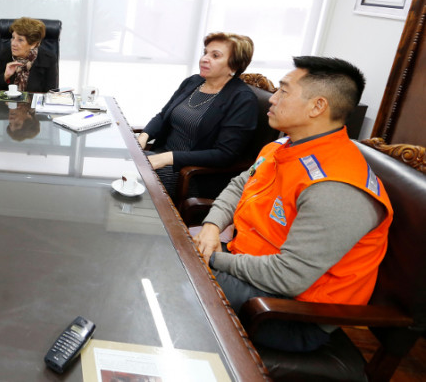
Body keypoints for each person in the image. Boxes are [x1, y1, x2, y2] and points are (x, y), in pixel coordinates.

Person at [193, 56, 392, 352]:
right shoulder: (283, 146)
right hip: (249, 265)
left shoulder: (336, 187)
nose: (272, 98)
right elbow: (240, 185)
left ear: (318, 106)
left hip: (290, 312)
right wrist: (211, 227)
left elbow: (288, 277)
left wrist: (210, 258)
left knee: (180, 280)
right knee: (167, 254)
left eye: (284, 91)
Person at [138, 32, 257, 197]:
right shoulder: (193, 82)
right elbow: (163, 115)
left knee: (131, 176)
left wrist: (168, 158)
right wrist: (144, 136)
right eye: (205, 53)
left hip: (192, 174)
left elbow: (224, 154)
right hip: (160, 156)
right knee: (121, 166)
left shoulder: (242, 99)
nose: (204, 59)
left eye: (215, 56)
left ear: (233, 66)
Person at [0, 17, 58, 93]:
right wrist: (5, 76)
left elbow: (50, 95)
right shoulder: (5, 54)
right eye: (13, 37)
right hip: (8, 104)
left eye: (20, 40)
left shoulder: (48, 59)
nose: (13, 43)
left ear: (33, 44)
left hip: (33, 104)